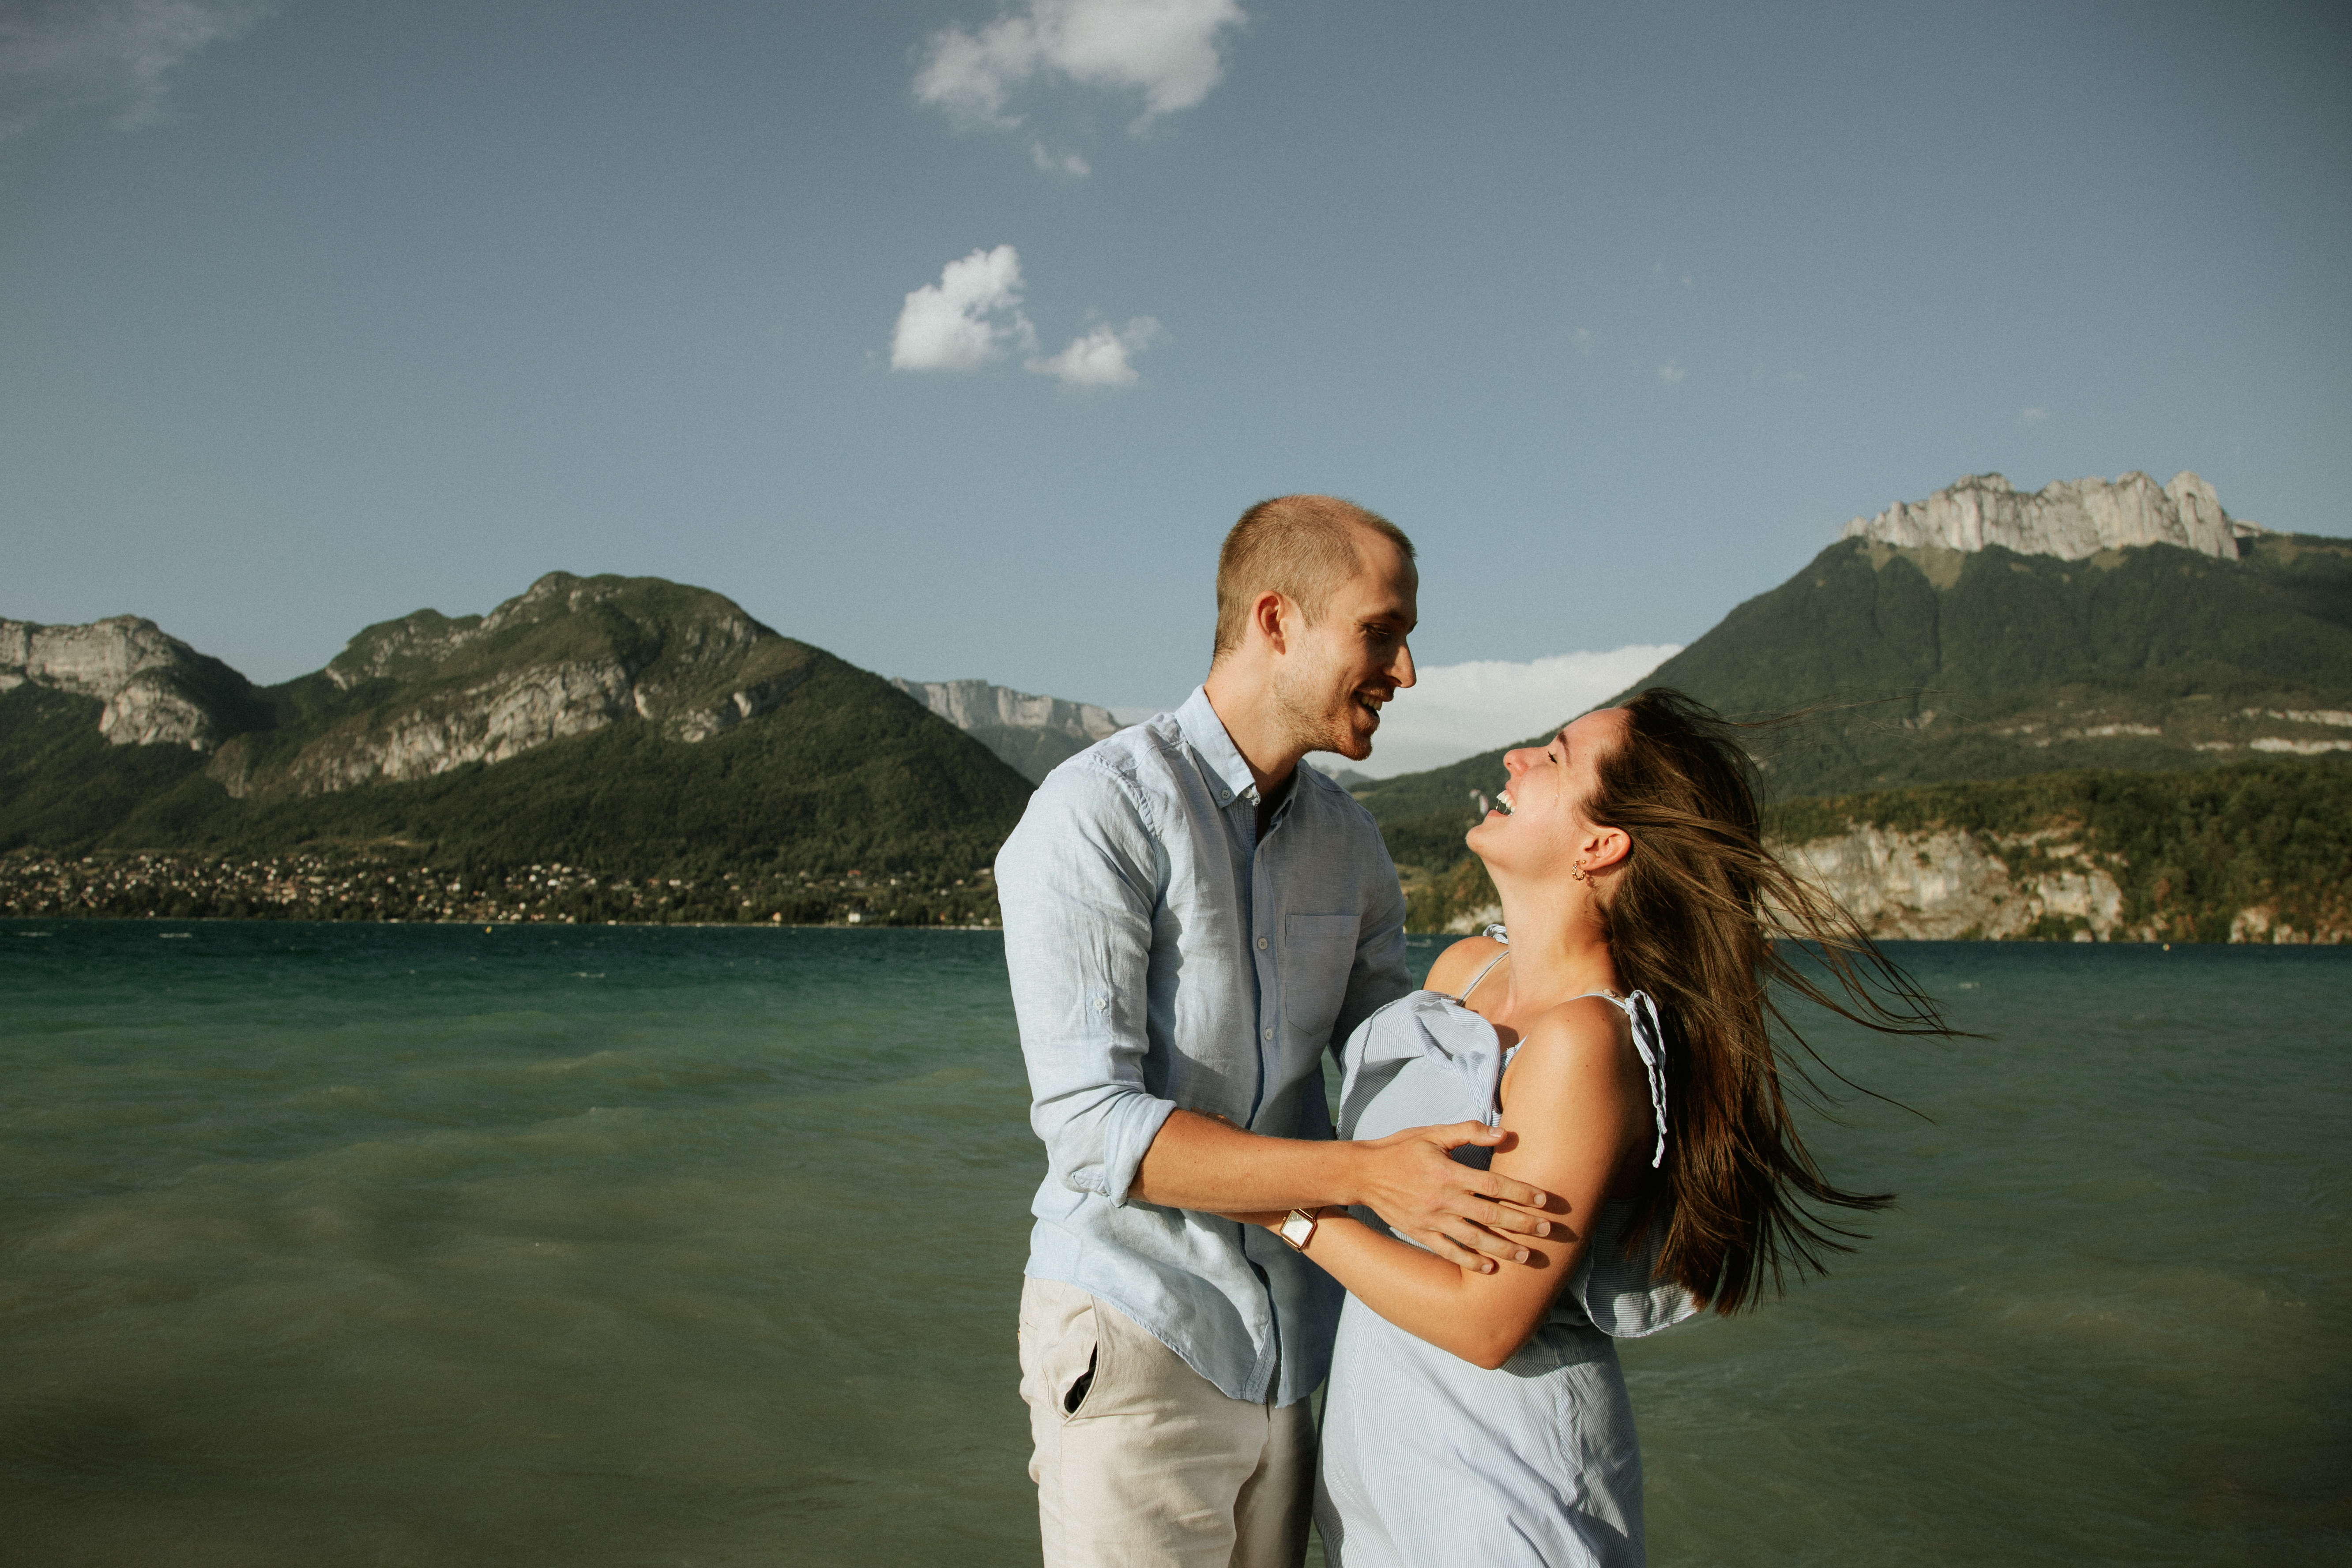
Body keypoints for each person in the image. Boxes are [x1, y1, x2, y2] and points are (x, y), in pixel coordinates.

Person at [1227, 688, 1951, 1567]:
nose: (1514, 759)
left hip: (1500, 1484)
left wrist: (1286, 1202)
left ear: (1600, 845)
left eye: (1556, 757)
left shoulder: (1584, 1042)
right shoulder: (1463, 971)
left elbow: (1487, 1324)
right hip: (1383, 1467)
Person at [995, 496, 1558, 1568]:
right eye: (1381, 632)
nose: (1405, 672)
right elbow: (1092, 1129)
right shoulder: (1095, 812)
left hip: (1303, 1348)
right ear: (1276, 620)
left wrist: (1568, 976)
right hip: (1134, 1336)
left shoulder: (1351, 840)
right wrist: (1365, 1177)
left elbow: (1400, 1057)